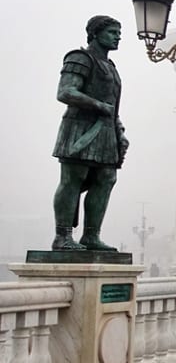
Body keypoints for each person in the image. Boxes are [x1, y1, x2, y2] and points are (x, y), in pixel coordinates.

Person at [51, 15, 129, 251]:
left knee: (107, 178)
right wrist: (98, 106)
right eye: (112, 32)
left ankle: (91, 236)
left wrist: (119, 131)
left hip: (106, 132)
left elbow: (113, 107)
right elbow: (65, 92)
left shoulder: (111, 68)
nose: (118, 37)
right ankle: (63, 236)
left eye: (119, 33)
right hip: (79, 128)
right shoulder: (80, 58)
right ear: (95, 33)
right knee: (72, 179)